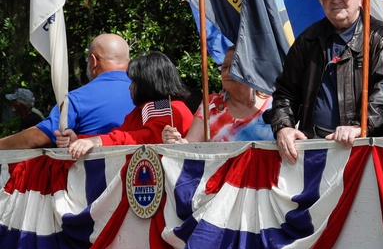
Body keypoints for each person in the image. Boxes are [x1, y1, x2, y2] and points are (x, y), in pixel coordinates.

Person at [265, 0, 383, 162]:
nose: (335, 0)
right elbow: (285, 92)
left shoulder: (382, 36)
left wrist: (359, 126)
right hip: (314, 151)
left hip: (367, 151)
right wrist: (283, 127)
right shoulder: (307, 39)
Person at [0, 34, 134, 150]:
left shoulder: (78, 99)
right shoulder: (150, 93)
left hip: (96, 178)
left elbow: (37, 137)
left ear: (94, 61)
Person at [62, 52, 193, 158]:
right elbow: (117, 135)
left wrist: (97, 141)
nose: (130, 87)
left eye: (134, 82)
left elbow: (142, 138)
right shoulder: (140, 111)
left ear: (147, 83)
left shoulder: (172, 108)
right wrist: (78, 140)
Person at [162, 46, 273, 143]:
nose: (226, 73)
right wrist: (176, 140)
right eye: (224, 67)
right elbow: (191, 143)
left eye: (234, 67)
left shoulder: (274, 104)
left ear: (251, 70)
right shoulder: (211, 104)